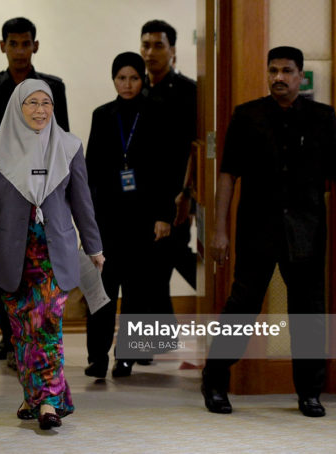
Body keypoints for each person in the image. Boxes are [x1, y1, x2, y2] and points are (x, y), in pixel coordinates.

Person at [202, 46, 336, 417]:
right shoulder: (247, 116)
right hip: (257, 228)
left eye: (287, 71)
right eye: (272, 70)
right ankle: (215, 381)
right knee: (241, 308)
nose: (278, 78)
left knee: (308, 313)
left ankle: (309, 393)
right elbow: (227, 177)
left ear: (300, 76)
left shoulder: (322, 118)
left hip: (306, 230)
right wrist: (219, 230)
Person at [0, 79, 104, 430]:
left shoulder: (69, 146)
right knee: (22, 329)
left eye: (46, 103)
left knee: (47, 323)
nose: (40, 110)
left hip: (54, 252)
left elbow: (83, 203)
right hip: (11, 253)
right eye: (31, 103)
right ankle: (37, 396)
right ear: (17, 107)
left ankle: (48, 403)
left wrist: (94, 248)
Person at [0, 17, 70, 366]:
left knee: (38, 266)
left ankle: (31, 333)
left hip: (39, 194)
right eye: (14, 44)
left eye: (26, 44)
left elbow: (61, 142)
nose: (20, 51)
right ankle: (9, 335)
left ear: (35, 46)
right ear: (3, 46)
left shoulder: (52, 86)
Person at [84, 52, 177, 379]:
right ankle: (97, 356)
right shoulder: (102, 115)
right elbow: (90, 171)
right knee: (102, 291)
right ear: (114, 80)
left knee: (138, 292)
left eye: (133, 78)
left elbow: (168, 171)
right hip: (107, 219)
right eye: (121, 78)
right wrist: (86, 219)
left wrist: (165, 215)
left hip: (144, 218)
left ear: (143, 80)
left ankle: (126, 357)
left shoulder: (158, 115)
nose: (127, 84)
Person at [140, 19, 197, 292]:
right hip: (141, 196)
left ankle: (218, 294)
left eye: (158, 46)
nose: (151, 53)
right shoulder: (138, 90)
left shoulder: (189, 91)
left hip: (176, 195)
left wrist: (187, 193)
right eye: (146, 45)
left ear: (172, 50)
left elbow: (195, 148)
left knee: (165, 262)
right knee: (152, 272)